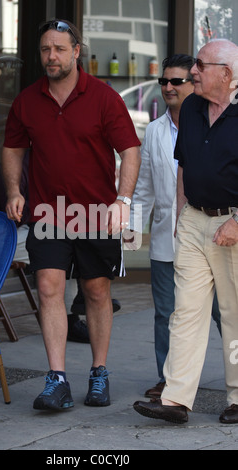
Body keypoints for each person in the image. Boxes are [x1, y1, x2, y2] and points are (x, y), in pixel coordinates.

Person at [2, 19, 141, 411]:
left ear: (76, 51)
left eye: (60, 49)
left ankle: (99, 373)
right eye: (46, 49)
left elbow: (130, 150)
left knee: (96, 291)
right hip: (48, 211)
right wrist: (14, 190)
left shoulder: (103, 97)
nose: (52, 56)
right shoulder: (27, 100)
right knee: (49, 288)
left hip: (96, 212)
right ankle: (57, 379)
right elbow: (12, 148)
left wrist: (123, 201)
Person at [133, 38, 238, 425]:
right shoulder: (193, 107)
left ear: (226, 75)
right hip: (193, 219)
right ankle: (176, 399)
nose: (193, 71)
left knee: (234, 315)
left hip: (234, 222)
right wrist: (182, 215)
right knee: (185, 313)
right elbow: (183, 163)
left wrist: (236, 223)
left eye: (201, 65)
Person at [125, 54, 221, 400]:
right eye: (163, 81)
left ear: (193, 85)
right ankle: (168, 380)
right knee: (166, 313)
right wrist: (133, 226)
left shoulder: (215, 123)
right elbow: (146, 186)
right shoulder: (154, 130)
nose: (168, 87)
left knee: (224, 314)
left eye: (176, 81)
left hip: (213, 238)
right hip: (168, 238)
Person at [0, 153, 90, 343]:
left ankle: (79, 305)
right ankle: (73, 316)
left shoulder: (41, 166)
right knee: (60, 244)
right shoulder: (13, 168)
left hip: (14, 233)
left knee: (65, 239)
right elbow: (16, 215)